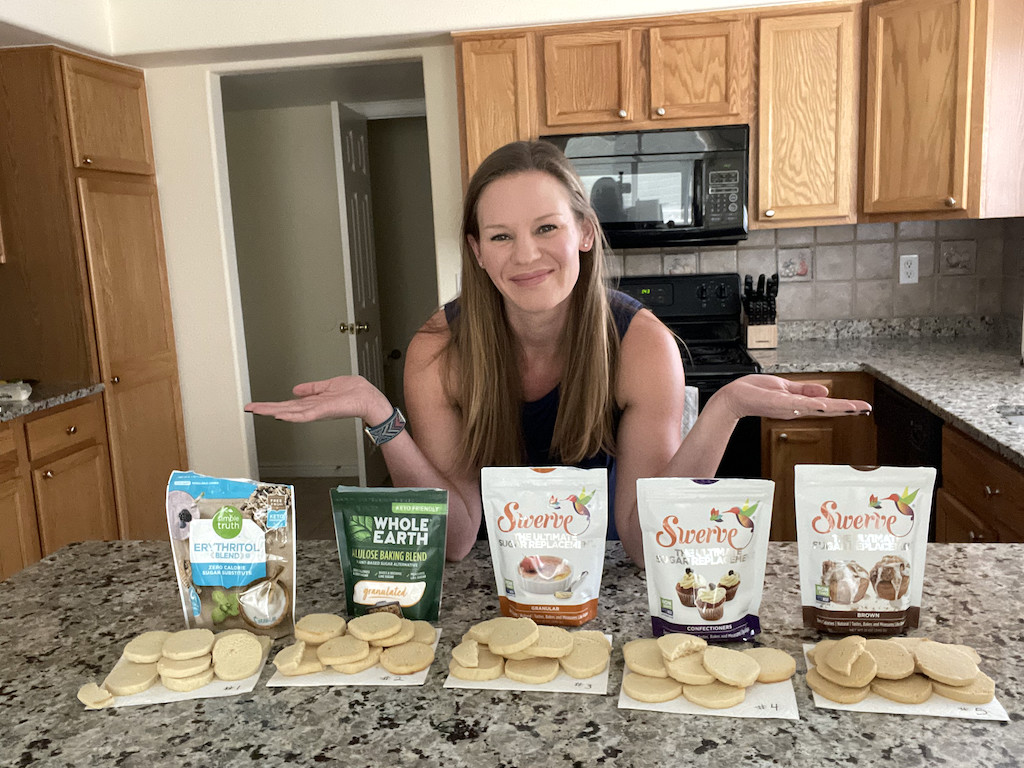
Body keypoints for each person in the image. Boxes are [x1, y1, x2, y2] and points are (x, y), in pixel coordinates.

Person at [245, 140, 870, 565]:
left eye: (547, 228)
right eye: (501, 236)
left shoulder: (642, 345)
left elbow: (639, 540)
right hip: (497, 582)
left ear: (585, 233)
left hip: (596, 576)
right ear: (478, 251)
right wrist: (383, 420)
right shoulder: (440, 351)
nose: (525, 255)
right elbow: (460, 540)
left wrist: (724, 408)